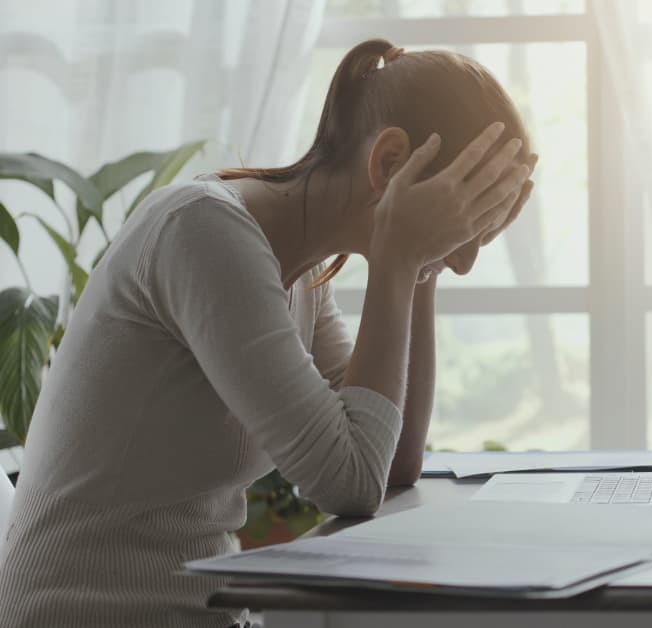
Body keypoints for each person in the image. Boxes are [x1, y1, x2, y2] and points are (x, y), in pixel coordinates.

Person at [0, 39, 536, 627]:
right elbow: (350, 482)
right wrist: (403, 256)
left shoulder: (301, 275)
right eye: (471, 221)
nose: (466, 263)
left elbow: (393, 461)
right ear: (388, 164)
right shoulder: (203, 232)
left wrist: (420, 268)